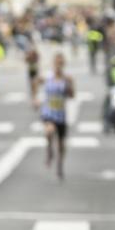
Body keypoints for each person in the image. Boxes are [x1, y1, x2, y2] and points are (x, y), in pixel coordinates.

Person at [40, 52, 75, 182]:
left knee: (61, 145)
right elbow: (35, 82)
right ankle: (49, 149)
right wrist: (34, 99)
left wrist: (69, 86)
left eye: (61, 63)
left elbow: (72, 96)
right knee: (49, 131)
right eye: (57, 63)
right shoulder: (47, 77)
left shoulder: (67, 79)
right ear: (53, 64)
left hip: (60, 114)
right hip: (48, 112)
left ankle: (60, 166)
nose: (59, 66)